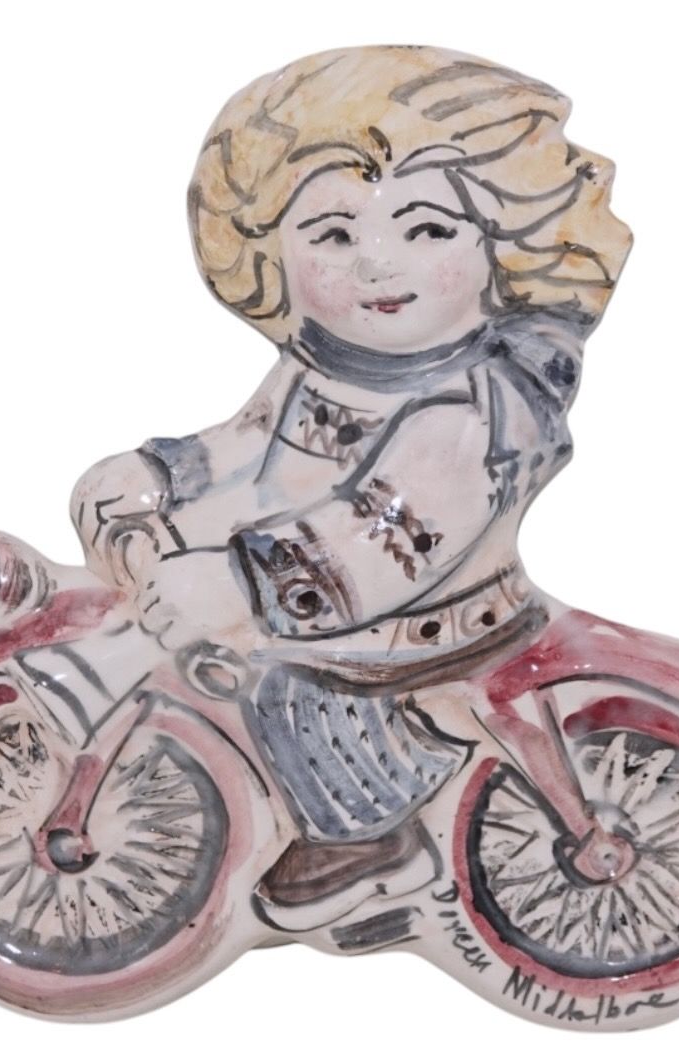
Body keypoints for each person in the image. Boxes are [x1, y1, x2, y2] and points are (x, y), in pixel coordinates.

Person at [66, 44, 633, 930]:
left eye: (427, 230)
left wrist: (243, 582)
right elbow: (249, 444)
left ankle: (369, 841)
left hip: (426, 609)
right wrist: (163, 474)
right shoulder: (318, 363)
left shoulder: (473, 407)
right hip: (326, 578)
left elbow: (390, 535)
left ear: (505, 245)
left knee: (278, 680)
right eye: (332, 233)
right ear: (269, 251)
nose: (376, 263)